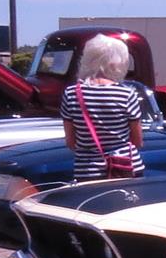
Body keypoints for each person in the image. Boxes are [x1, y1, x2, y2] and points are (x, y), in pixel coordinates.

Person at [61, 34, 147, 181]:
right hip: (125, 167)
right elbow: (138, 141)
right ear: (119, 63)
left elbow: (70, 142)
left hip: (88, 171)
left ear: (88, 59)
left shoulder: (71, 94)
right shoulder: (126, 94)